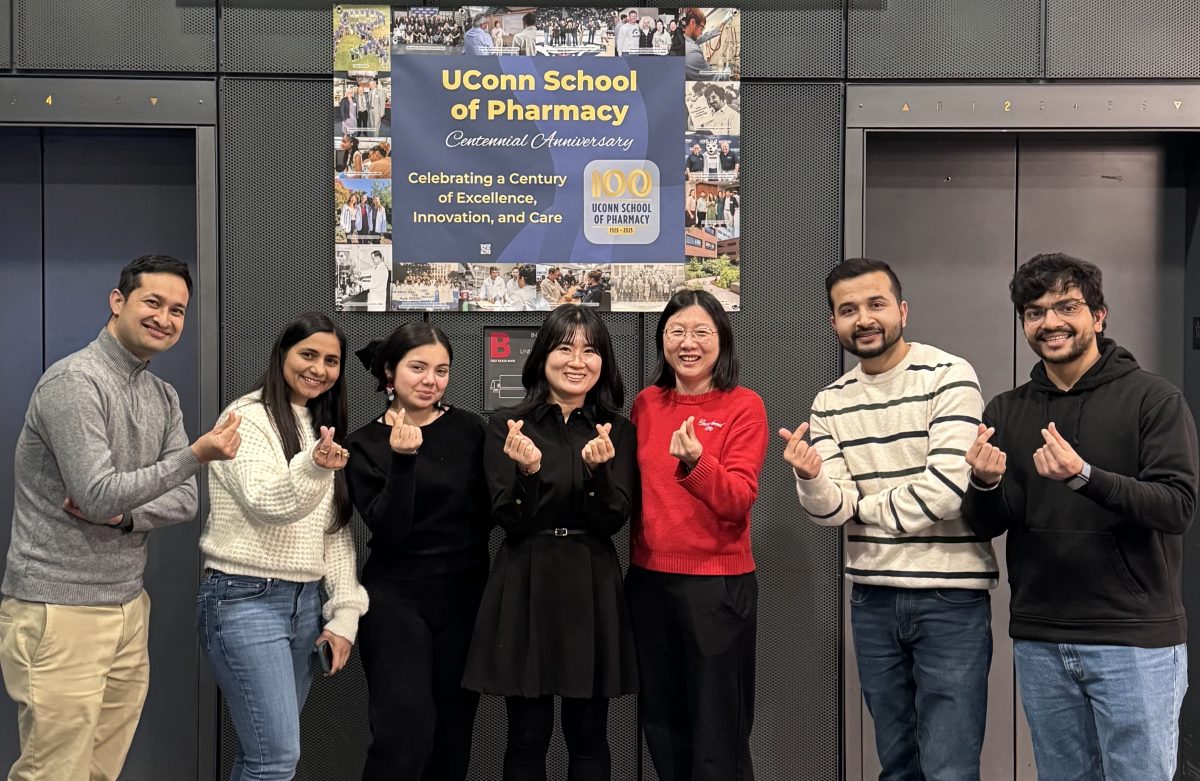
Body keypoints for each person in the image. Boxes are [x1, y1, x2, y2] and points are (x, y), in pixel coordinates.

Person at [0, 255, 240, 781]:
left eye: (177, 310)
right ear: (117, 302)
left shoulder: (162, 395)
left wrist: (124, 516)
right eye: (153, 302)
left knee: (99, 772)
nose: (165, 318)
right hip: (60, 607)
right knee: (53, 772)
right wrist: (193, 457)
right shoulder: (74, 382)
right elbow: (96, 493)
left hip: (129, 604)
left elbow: (185, 502)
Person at [962, 253, 1199, 781]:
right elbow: (986, 524)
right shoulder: (1006, 410)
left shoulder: (1154, 399)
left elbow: (1176, 506)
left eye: (1066, 306)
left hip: (1133, 640)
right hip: (1041, 637)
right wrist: (984, 483)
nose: (1050, 322)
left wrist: (1084, 476)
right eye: (1034, 312)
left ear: (1099, 315)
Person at [782, 258, 996, 779]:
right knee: (896, 764)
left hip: (949, 599)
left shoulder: (949, 375)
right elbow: (830, 510)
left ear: (902, 310)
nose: (864, 319)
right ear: (834, 322)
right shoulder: (830, 401)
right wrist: (810, 478)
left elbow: (945, 492)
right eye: (848, 309)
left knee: (949, 767)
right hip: (872, 597)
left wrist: (863, 506)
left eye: (875, 304)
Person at [463, 305, 638, 781]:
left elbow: (614, 519)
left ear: (604, 361)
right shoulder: (507, 425)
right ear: (542, 356)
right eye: (565, 348)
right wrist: (528, 472)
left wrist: (599, 473)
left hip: (590, 580)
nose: (577, 361)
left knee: (589, 736)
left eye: (590, 350)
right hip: (527, 577)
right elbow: (508, 520)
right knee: (526, 736)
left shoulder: (617, 429)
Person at [197, 312, 368, 781]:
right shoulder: (246, 418)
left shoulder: (320, 425)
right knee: (274, 760)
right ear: (282, 355)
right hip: (244, 599)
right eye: (308, 354)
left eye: (331, 360)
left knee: (262, 757)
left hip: (304, 605)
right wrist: (315, 467)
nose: (319, 369)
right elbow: (266, 504)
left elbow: (334, 532)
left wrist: (344, 615)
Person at [626, 289, 767, 781]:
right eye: (677, 331)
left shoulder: (743, 405)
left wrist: (697, 462)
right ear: (662, 338)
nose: (688, 343)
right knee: (662, 723)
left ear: (721, 339)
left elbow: (738, 499)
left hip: (717, 589)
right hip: (648, 584)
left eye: (702, 332)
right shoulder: (645, 404)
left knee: (718, 731)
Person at [345, 324, 492, 781]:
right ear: (390, 373)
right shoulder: (363, 444)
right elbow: (391, 529)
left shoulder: (471, 429)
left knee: (453, 735)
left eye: (441, 370)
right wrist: (403, 461)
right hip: (396, 599)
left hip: (465, 595)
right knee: (402, 737)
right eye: (419, 367)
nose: (431, 380)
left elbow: (492, 511)